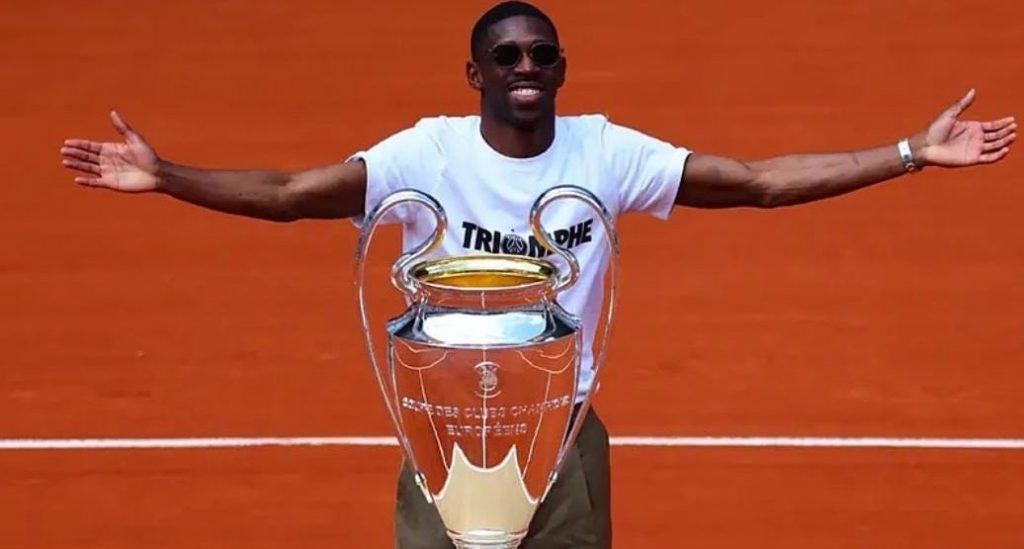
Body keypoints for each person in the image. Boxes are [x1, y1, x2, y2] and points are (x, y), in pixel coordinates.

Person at [60, 1, 1015, 547]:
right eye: (506, 54)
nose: (526, 65)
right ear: (474, 74)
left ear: (560, 69)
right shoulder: (425, 153)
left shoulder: (604, 152)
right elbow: (287, 193)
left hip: (562, 440)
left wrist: (908, 153)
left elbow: (759, 182)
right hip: (444, 438)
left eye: (541, 53)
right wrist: (168, 175)